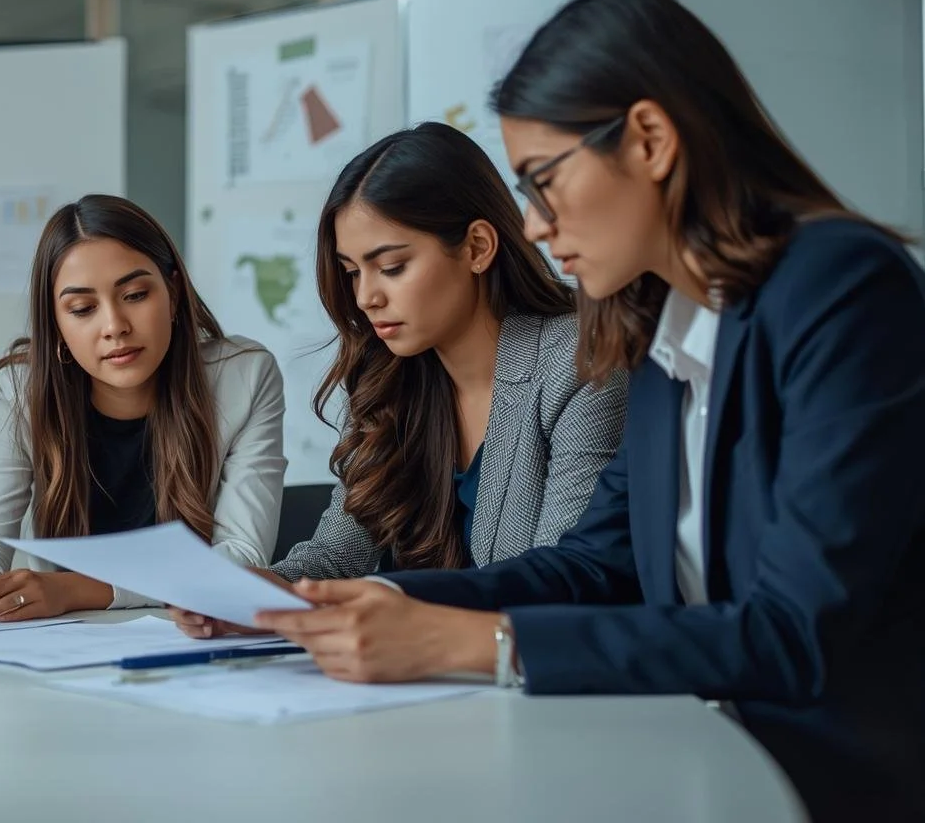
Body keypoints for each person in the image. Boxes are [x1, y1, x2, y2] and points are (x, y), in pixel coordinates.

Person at [252, 0, 925, 822]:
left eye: (545, 181)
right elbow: (594, 564)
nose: (534, 225)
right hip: (685, 755)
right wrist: (394, 600)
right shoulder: (668, 326)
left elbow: (793, 633)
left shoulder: (841, 289)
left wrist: (483, 642)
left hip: (830, 780)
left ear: (649, 139)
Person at [172, 123, 626, 638]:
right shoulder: (390, 378)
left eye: (390, 266)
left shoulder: (579, 363)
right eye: (352, 271)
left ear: (478, 247)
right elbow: (337, 555)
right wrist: (254, 597)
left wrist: (374, 599)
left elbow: (561, 581)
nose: (366, 297)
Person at [0, 194, 286, 621]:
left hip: (187, 636)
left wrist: (78, 590)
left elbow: (241, 555)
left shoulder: (244, 377)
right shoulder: (21, 389)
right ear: (56, 325)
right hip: (62, 646)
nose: (114, 327)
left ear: (174, 294)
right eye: (82, 308)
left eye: (134, 294)